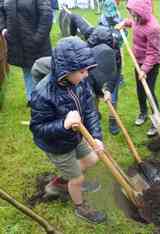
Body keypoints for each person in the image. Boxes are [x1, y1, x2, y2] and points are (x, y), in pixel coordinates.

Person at [30, 37, 106, 224]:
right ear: (66, 71)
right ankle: (80, 206)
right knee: (78, 178)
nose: (86, 75)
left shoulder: (79, 83)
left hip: (75, 137)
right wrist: (63, 124)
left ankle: (62, 181)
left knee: (92, 158)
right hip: (56, 145)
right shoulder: (43, 93)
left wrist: (96, 137)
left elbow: (89, 110)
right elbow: (37, 128)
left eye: (86, 70)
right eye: (82, 71)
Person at [118, 0, 160, 137]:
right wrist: (125, 23)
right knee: (140, 90)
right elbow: (133, 23)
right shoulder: (137, 18)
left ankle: (156, 120)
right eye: (130, 11)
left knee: (149, 91)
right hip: (138, 61)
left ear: (141, 10)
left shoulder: (153, 28)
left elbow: (153, 53)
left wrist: (144, 70)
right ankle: (143, 112)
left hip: (151, 63)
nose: (131, 14)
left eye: (133, 11)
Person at [0, 0, 52, 105]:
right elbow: (1, 10)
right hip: (17, 42)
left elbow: (46, 15)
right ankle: (31, 98)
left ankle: (47, 96)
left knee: (43, 68)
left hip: (37, 42)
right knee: (27, 68)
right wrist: (4, 29)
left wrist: (37, 38)